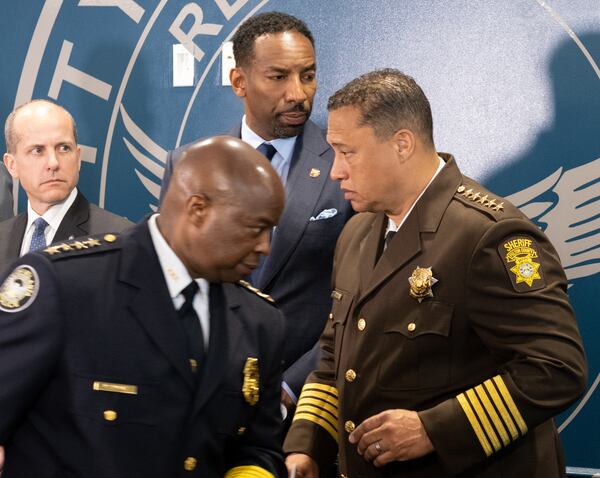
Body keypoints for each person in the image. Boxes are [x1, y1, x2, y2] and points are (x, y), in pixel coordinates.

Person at [284, 69, 587, 478]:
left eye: (347, 152)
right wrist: (307, 444)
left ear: (402, 144)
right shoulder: (357, 232)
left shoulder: (489, 235)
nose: (336, 171)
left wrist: (433, 429)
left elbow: (555, 368)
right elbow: (335, 353)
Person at [0, 136, 287, 477]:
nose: (265, 247)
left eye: (270, 230)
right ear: (197, 210)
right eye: (254, 229)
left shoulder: (260, 322)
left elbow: (259, 448)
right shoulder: (66, 286)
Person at [160, 12, 353, 409]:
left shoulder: (344, 166)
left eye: (309, 75)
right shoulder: (186, 165)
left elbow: (360, 301)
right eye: (279, 76)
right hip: (203, 398)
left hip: (305, 405)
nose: (298, 93)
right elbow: (170, 285)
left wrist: (294, 387)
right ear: (239, 82)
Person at [0, 99, 131, 272]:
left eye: (63, 148)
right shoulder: (2, 235)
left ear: (78, 158)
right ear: (12, 165)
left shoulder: (121, 238)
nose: (53, 163)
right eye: (37, 150)